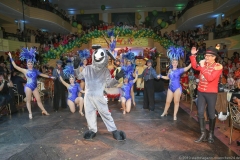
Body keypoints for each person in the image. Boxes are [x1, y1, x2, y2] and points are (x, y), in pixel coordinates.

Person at [8, 48, 54, 119]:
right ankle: (30, 113)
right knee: (28, 101)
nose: (30, 65)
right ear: (27, 64)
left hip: (34, 87)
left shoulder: (35, 70)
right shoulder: (25, 70)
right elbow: (15, 66)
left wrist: (50, 76)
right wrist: (11, 57)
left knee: (39, 100)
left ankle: (44, 110)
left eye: (31, 64)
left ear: (33, 64)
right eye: (28, 64)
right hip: (28, 87)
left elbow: (42, 74)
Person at [190, 46, 223, 143]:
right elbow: (195, 66)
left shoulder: (218, 66)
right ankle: (203, 134)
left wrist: (203, 67)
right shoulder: (204, 64)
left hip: (211, 93)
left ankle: (211, 134)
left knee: (211, 113)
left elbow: (210, 78)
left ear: (214, 57)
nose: (206, 57)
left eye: (209, 56)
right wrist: (193, 56)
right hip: (201, 92)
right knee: (200, 112)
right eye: (206, 55)